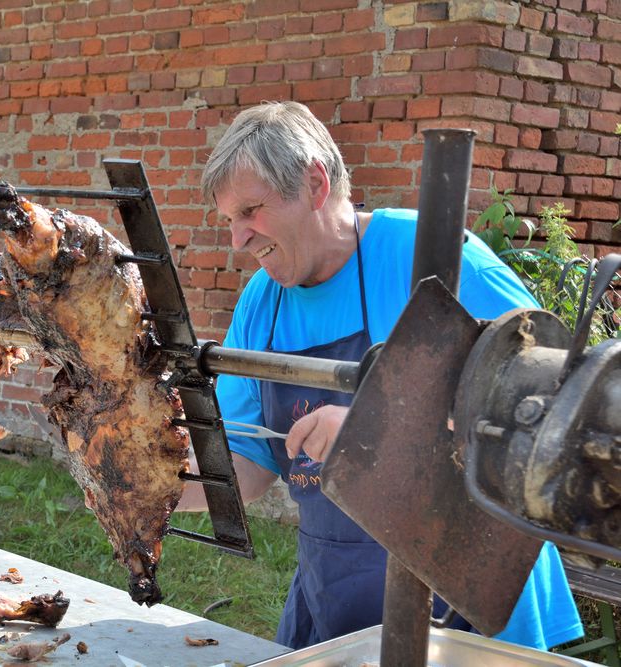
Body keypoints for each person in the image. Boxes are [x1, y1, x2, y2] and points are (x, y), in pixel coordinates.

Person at [178, 101, 583, 651]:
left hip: (475, 615)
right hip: (337, 604)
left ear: (315, 184)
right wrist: (142, 480)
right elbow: (246, 467)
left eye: (251, 210)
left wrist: (377, 431)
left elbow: (551, 410)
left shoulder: (433, 258)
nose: (237, 240)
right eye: (229, 220)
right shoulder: (262, 303)